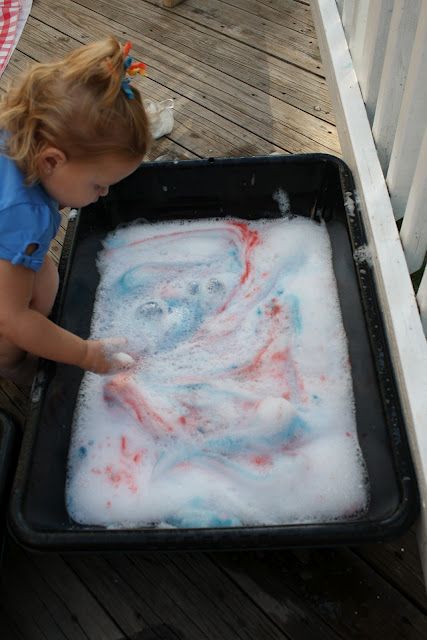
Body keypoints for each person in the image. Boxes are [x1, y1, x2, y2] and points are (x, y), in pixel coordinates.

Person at [0, 37, 150, 383]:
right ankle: (8, 365)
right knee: (11, 324)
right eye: (97, 184)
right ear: (52, 160)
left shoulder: (20, 129)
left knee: (45, 281)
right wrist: (87, 354)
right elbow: (12, 317)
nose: (104, 193)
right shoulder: (26, 216)